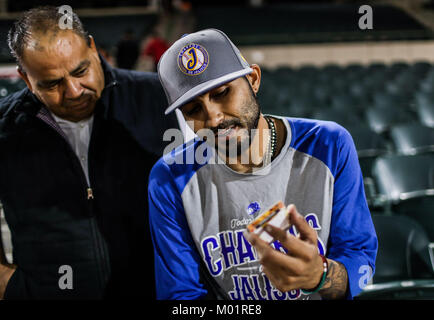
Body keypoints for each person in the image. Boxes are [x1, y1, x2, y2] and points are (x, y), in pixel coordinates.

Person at [148, 29, 378, 300]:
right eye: (193, 110)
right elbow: (182, 297)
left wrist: (321, 275)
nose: (212, 118)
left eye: (222, 93)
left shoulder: (328, 144)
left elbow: (361, 264)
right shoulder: (170, 177)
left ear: (253, 79)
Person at [0, 6, 178, 299]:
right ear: (25, 78)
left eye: (80, 71)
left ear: (94, 48)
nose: (73, 91)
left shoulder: (159, 98)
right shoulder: (5, 129)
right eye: (52, 83)